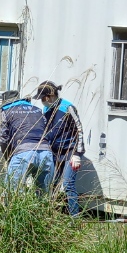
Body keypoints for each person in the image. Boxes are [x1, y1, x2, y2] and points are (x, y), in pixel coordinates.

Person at [37, 81, 86, 215]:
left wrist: (77, 153)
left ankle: (74, 218)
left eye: (43, 98)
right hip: (53, 152)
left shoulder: (67, 108)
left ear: (50, 96)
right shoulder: (46, 109)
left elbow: (79, 130)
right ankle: (49, 214)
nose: (42, 101)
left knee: (68, 184)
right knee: (51, 183)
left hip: (70, 151)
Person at [0, 90, 54, 192]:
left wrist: (8, 157)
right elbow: (48, 131)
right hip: (46, 153)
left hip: (23, 153)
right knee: (43, 195)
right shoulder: (37, 110)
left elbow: (3, 138)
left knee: (12, 193)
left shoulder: (6, 111)